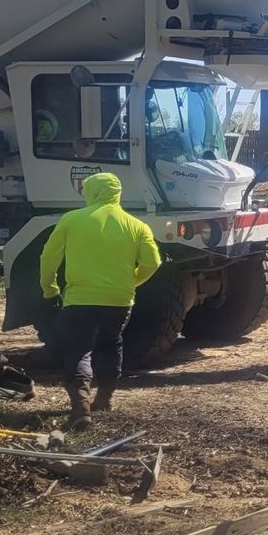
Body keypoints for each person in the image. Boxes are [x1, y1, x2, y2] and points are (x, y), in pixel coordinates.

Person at [39, 172, 162, 429]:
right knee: (111, 345)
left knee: (78, 349)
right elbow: (153, 262)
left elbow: (48, 257)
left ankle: (80, 407)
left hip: (79, 300)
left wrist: (50, 289)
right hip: (120, 301)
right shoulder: (137, 225)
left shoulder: (72, 220)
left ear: (90, 192)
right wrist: (131, 283)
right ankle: (104, 399)